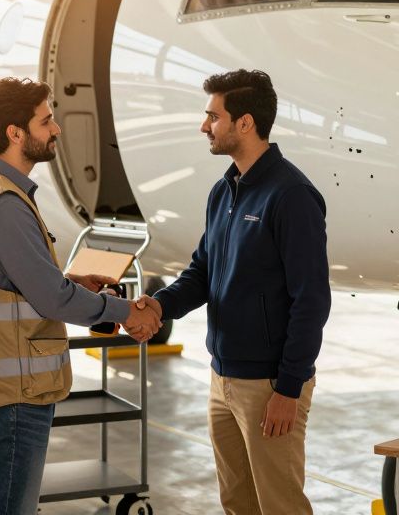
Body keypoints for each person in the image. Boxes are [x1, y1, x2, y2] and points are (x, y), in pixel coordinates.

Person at [0, 77, 161, 515]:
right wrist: (124, 311)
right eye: (46, 122)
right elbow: (51, 300)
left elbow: (16, 284)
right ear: (15, 133)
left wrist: (72, 283)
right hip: (12, 396)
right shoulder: (5, 205)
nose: (57, 129)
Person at [132, 69, 331, 515]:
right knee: (237, 504)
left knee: (280, 506)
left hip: (268, 385)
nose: (205, 126)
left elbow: (312, 300)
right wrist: (159, 306)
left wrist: (288, 388)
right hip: (222, 378)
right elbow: (203, 272)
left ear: (245, 123)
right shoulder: (224, 191)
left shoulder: (291, 195)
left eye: (213, 117)